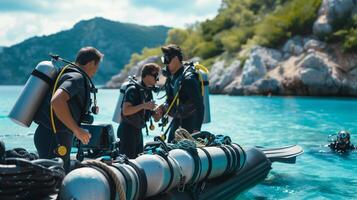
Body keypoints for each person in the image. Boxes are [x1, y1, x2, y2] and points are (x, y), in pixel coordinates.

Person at [33, 47, 103, 172]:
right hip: (54, 137)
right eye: (97, 65)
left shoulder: (71, 75)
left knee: (55, 177)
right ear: (92, 63)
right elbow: (57, 101)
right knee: (54, 180)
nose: (97, 70)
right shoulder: (77, 78)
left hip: (51, 135)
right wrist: (77, 130)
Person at [159, 44, 204, 143]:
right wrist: (163, 108)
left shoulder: (188, 80)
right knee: (170, 149)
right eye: (164, 59)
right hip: (177, 121)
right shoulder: (171, 77)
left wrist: (196, 131)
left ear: (175, 59)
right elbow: (170, 100)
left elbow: (200, 106)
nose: (165, 63)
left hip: (189, 123)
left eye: (167, 59)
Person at [118, 63, 161, 159]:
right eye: (155, 76)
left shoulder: (148, 92)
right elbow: (125, 111)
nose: (157, 79)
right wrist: (144, 106)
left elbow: (150, 114)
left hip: (138, 131)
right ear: (147, 76)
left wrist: (156, 114)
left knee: (138, 159)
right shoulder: (132, 89)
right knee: (127, 161)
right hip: (127, 131)